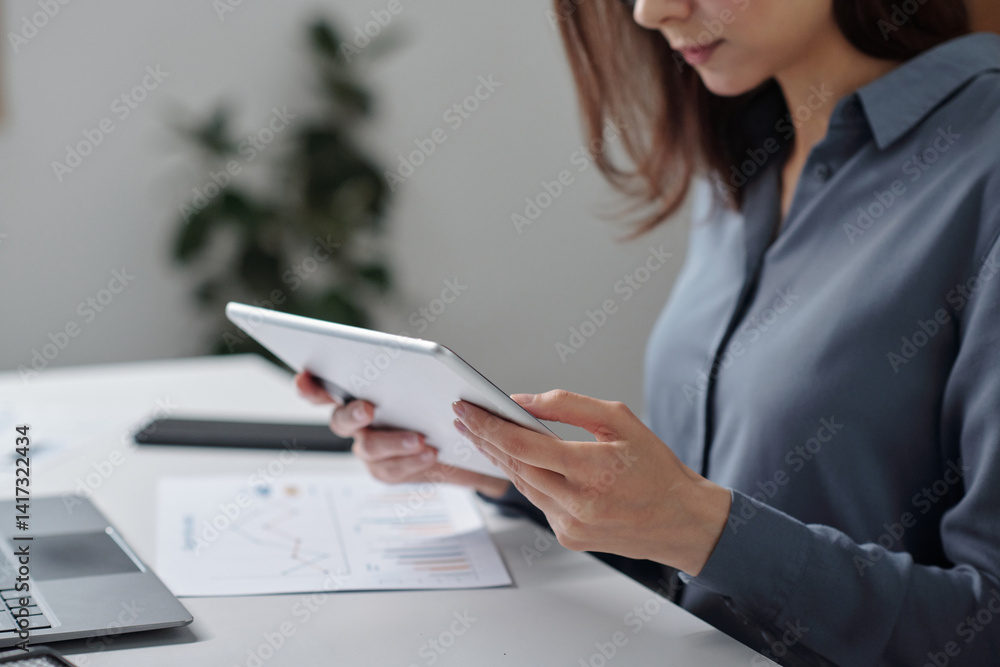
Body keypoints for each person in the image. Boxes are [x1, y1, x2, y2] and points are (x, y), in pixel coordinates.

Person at [297, 1, 1000, 664]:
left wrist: (693, 524)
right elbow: (704, 562)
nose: (649, 12)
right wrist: (517, 473)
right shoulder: (744, 159)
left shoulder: (982, 167)